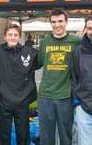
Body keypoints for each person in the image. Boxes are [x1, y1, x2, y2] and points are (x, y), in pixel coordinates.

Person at [37, 8, 80, 145]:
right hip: (45, 96)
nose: (57, 25)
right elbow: (38, 63)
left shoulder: (76, 41)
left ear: (66, 22)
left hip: (65, 96)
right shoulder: (45, 42)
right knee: (46, 136)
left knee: (65, 135)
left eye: (60, 21)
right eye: (54, 22)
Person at [0, 23, 38, 145]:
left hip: (22, 102)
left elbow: (42, 63)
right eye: (10, 35)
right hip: (3, 102)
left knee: (23, 135)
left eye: (15, 35)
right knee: (3, 135)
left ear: (19, 37)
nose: (12, 37)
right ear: (5, 37)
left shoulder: (30, 53)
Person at [71, 15, 92, 145]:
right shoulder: (78, 51)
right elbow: (74, 77)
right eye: (90, 28)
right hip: (84, 107)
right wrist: (77, 102)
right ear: (85, 29)